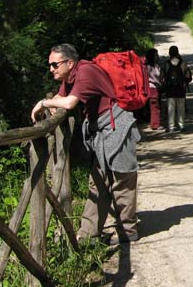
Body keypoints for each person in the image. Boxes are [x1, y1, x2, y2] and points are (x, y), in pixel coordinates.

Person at [31, 43, 140, 243]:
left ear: (69, 63)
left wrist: (44, 103)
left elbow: (70, 103)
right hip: (102, 130)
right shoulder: (71, 76)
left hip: (118, 127)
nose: (51, 69)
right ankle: (89, 234)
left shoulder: (86, 72)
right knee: (98, 180)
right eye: (51, 65)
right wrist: (54, 102)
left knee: (122, 178)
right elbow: (61, 96)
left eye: (55, 65)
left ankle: (128, 231)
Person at [162, 45, 192, 132]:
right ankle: (181, 125)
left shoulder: (166, 63)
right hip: (180, 88)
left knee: (171, 108)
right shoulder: (183, 63)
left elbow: (162, 76)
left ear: (169, 53)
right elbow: (188, 76)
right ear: (177, 52)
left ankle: (171, 126)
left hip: (170, 89)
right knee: (181, 107)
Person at [145, 48, 163, 130]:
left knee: (156, 105)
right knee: (154, 106)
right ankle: (155, 124)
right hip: (152, 88)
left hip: (156, 88)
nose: (157, 56)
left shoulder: (156, 65)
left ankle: (155, 123)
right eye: (156, 55)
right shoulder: (149, 67)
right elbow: (155, 77)